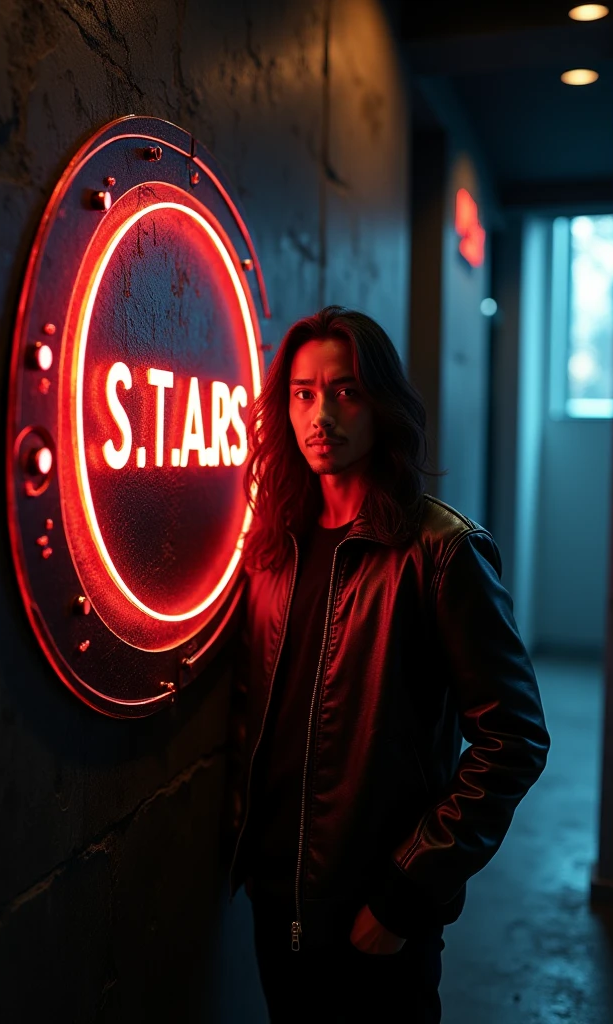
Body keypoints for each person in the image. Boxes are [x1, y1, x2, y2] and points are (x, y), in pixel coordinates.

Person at [222, 306, 551, 1023]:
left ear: (382, 404)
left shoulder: (441, 552)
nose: (321, 415)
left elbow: (514, 739)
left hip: (378, 912)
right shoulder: (273, 547)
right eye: (303, 393)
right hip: (277, 901)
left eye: (345, 392)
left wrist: (406, 892)